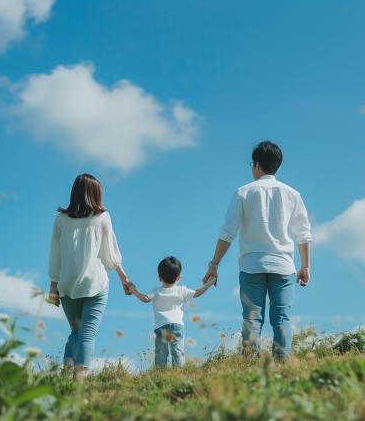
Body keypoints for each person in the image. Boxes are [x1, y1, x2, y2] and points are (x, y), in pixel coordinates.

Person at [202, 141, 312, 359]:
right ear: (277, 166)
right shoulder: (292, 194)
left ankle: (250, 366)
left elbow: (227, 232)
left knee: (252, 318)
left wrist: (214, 265)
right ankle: (282, 365)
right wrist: (305, 266)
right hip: (283, 266)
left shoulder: (243, 192)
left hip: (251, 265)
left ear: (257, 165)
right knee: (282, 318)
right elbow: (303, 234)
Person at [48, 173, 133, 379]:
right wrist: (124, 278)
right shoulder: (102, 217)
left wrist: (53, 286)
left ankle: (67, 372)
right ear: (95, 194)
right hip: (95, 284)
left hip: (68, 286)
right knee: (87, 333)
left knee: (75, 332)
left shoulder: (60, 220)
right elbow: (110, 254)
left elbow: (55, 255)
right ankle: (80, 378)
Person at [128, 256, 217, 368]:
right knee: (178, 351)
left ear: (159, 278)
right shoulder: (182, 290)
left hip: (160, 326)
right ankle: (179, 372)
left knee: (161, 352)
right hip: (177, 326)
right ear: (179, 278)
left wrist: (133, 290)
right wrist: (209, 283)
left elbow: (145, 298)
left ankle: (160, 373)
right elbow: (197, 293)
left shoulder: (156, 291)